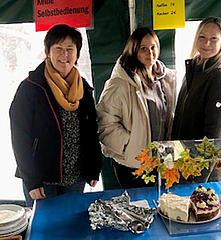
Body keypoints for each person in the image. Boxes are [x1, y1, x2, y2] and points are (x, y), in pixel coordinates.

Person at [9, 24, 102, 207]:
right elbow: (20, 137)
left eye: (70, 49)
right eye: (58, 48)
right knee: (45, 231)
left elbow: (91, 132)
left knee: (70, 226)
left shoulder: (83, 88)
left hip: (75, 176)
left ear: (77, 54)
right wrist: (32, 181)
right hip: (43, 179)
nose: (64, 55)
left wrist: (93, 168)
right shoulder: (31, 87)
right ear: (48, 52)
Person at [96, 27, 175, 189]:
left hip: (160, 161)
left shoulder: (165, 79)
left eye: (153, 47)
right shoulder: (120, 83)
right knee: (138, 209)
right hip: (133, 164)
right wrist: (128, 145)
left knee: (160, 205)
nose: (150, 53)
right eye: (143, 49)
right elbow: (105, 122)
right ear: (134, 51)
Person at [171, 17, 221, 182]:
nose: (207, 43)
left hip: (202, 174)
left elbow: (215, 135)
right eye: (202, 37)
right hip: (184, 165)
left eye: (214, 38)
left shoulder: (220, 78)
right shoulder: (193, 70)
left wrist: (198, 180)